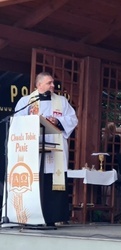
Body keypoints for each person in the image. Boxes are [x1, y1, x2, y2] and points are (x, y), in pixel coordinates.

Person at [14, 72, 78, 226]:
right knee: (35, 182)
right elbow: (17, 122)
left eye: (53, 83)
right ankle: (30, 217)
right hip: (33, 150)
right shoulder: (27, 101)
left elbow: (72, 119)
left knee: (51, 183)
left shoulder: (61, 102)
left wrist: (57, 120)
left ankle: (51, 218)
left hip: (55, 151)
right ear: (39, 85)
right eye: (49, 83)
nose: (52, 86)